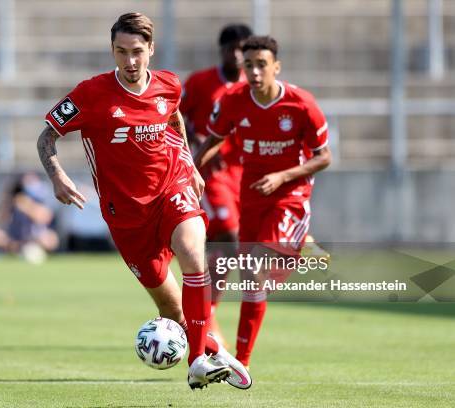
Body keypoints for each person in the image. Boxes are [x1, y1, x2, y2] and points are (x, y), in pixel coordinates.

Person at [36, 13, 251, 390]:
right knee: (171, 310)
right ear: (112, 51)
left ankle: (198, 360)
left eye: (137, 51)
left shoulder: (169, 84)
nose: (130, 61)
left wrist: (190, 163)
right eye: (121, 52)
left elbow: (175, 119)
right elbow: (46, 138)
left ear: (151, 49)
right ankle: (213, 349)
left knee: (193, 253)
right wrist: (57, 176)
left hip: (172, 189)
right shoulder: (90, 93)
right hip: (126, 216)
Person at [195, 35, 332, 368]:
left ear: (276, 67)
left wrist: (284, 176)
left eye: (262, 65)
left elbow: (324, 156)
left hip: (290, 194)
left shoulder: (301, 104)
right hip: (251, 194)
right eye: (249, 65)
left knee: (254, 268)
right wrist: (193, 172)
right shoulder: (233, 100)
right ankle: (241, 362)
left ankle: (241, 360)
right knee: (252, 278)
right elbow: (213, 139)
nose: (255, 72)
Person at [180, 23, 252, 346]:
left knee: (233, 246)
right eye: (230, 48)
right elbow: (175, 118)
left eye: (242, 48)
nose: (236, 54)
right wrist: (197, 142)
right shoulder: (200, 83)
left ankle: (201, 311)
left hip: (244, 174)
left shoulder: (253, 85)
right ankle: (203, 315)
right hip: (210, 172)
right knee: (229, 238)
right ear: (221, 50)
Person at [0, 172, 59, 264]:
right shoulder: (13, 201)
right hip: (13, 239)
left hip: (33, 238)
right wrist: (8, 202)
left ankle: (20, 249)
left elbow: (44, 217)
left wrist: (26, 206)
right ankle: (16, 249)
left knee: (50, 238)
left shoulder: (38, 200)